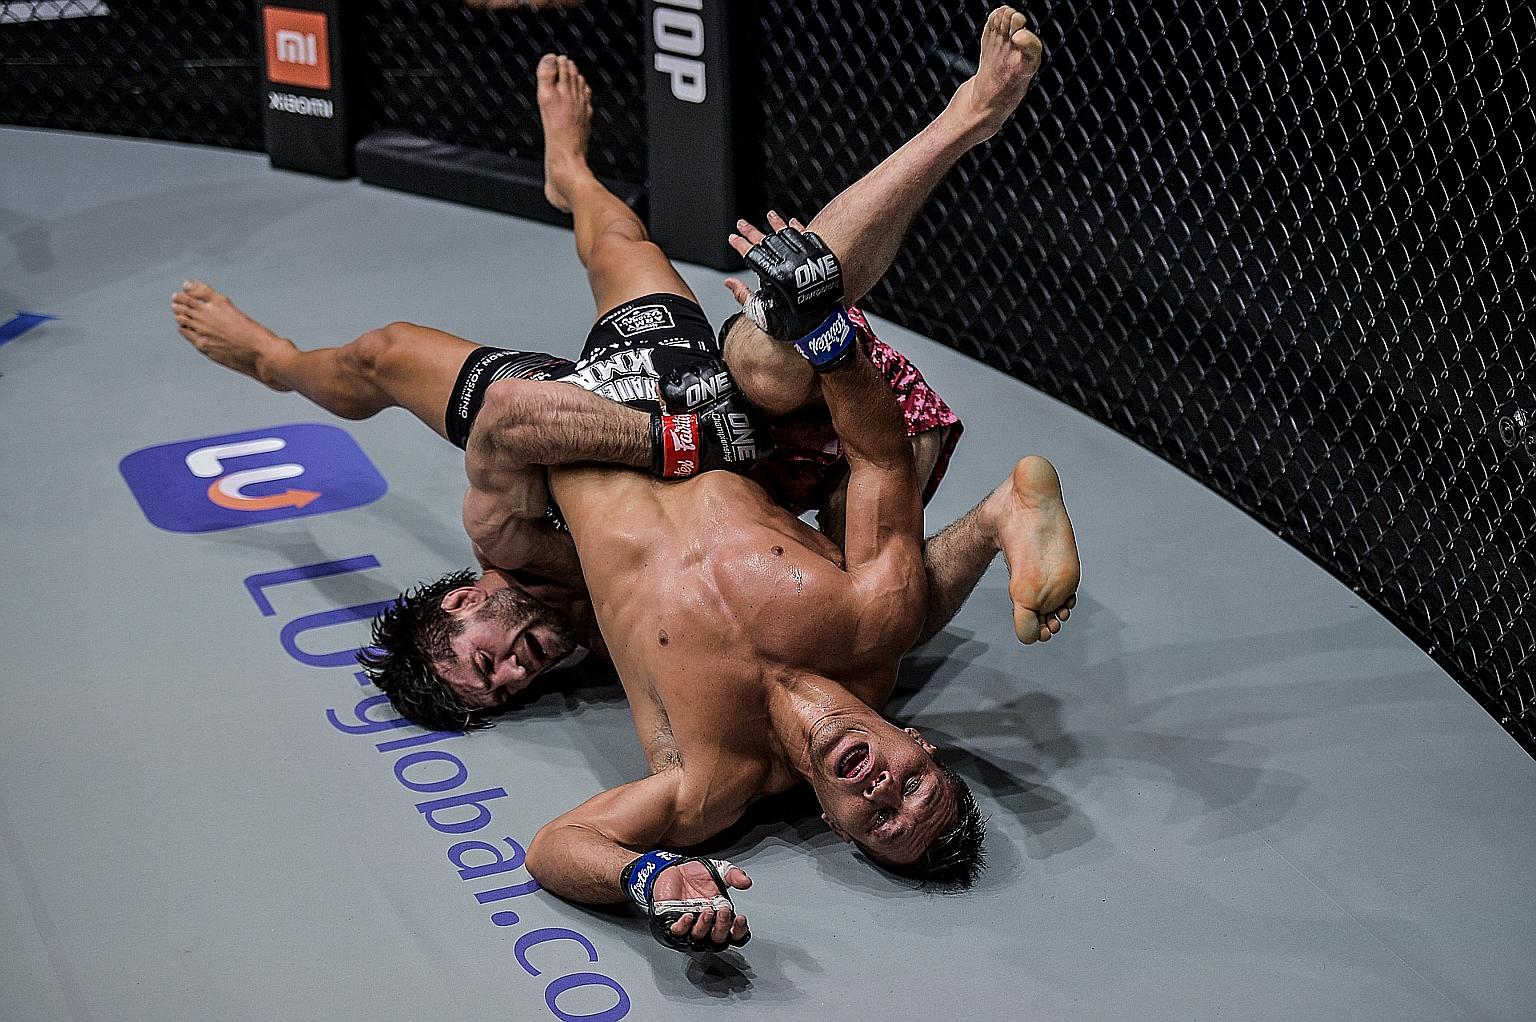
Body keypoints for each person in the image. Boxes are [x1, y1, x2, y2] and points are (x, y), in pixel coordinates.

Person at [173, 7, 1076, 951]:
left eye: (878, 826)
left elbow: (560, 845)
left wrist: (642, 875)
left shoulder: (708, 776)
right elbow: (882, 456)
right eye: (914, 790)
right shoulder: (874, 620)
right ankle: (968, 113)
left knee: (428, 338)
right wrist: (829, 337)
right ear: (917, 745)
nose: (885, 793)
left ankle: (572, 177)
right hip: (707, 422)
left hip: (598, 427)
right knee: (772, 327)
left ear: (840, 833)